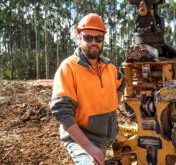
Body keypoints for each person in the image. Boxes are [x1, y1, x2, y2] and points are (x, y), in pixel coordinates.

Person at [50, 13, 126, 165]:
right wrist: (88, 147)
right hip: (80, 139)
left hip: (106, 137)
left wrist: (112, 106)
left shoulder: (109, 67)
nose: (93, 42)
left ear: (103, 40)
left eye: (98, 39)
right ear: (79, 38)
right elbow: (62, 111)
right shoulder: (69, 67)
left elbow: (122, 82)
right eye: (88, 38)